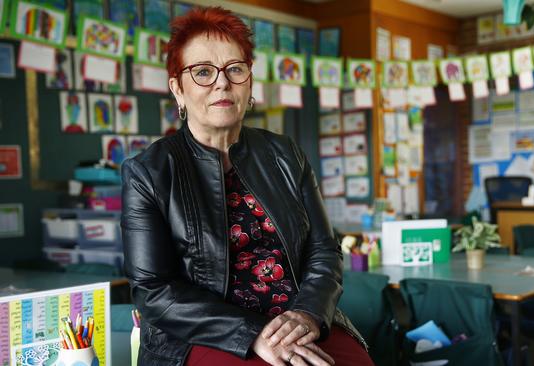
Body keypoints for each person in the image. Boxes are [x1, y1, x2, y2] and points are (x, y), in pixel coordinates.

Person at [121, 6, 373, 366]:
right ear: (178, 88)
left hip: (297, 321)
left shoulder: (286, 154)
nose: (222, 82)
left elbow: (324, 251)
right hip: (208, 334)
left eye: (235, 69)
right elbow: (154, 290)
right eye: (203, 72)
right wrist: (251, 334)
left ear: (249, 82)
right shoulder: (149, 172)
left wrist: (306, 316)